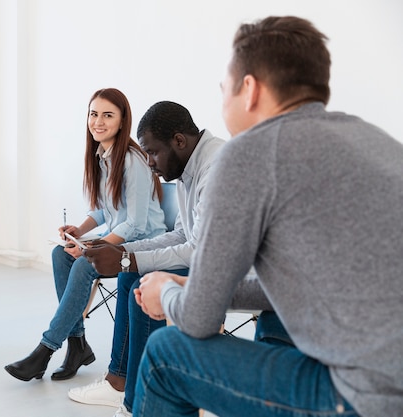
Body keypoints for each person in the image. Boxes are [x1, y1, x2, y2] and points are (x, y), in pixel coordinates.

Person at [134, 16, 403, 417]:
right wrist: (186, 281)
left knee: (164, 353)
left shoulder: (245, 156)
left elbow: (198, 320)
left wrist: (167, 293)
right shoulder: (377, 141)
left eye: (223, 87)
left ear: (249, 89)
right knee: (275, 323)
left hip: (365, 400)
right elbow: (300, 286)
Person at [69, 101, 225, 417]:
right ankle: (126, 387)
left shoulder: (215, 169)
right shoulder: (189, 167)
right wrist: (124, 254)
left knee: (138, 276)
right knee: (130, 274)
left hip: (228, 269)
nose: (150, 163)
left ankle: (133, 399)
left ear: (179, 141)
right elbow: (182, 235)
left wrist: (127, 261)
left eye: (152, 152)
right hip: (205, 255)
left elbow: (199, 251)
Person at [4, 88, 166, 382]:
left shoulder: (133, 160)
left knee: (83, 263)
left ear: (122, 120)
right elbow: (105, 212)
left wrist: (95, 247)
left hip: (144, 243)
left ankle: (45, 349)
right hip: (122, 239)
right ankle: (77, 344)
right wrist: (79, 231)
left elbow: (136, 224)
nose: (98, 122)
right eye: (94, 114)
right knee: (60, 254)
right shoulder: (101, 156)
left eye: (107, 115)